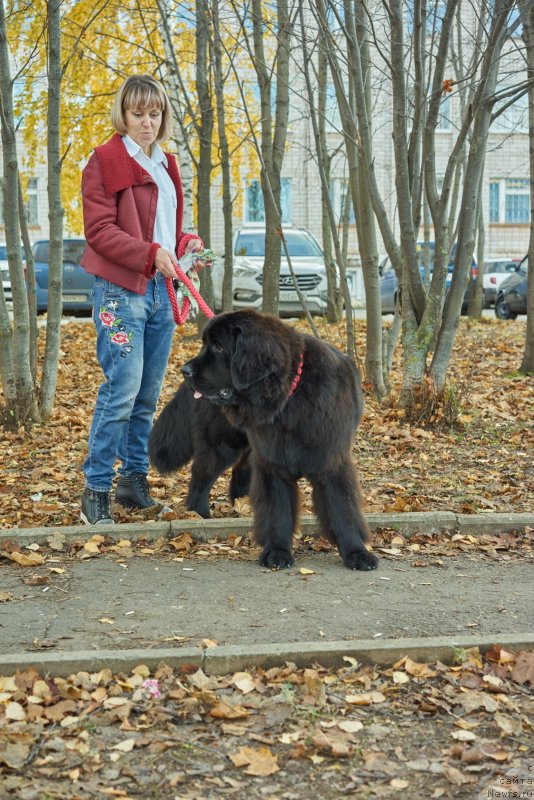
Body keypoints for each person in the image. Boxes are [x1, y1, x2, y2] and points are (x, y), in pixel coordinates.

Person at [79, 74, 203, 525]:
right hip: (120, 292)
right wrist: (153, 253)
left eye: (155, 114)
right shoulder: (105, 160)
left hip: (161, 290)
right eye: (138, 114)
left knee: (147, 395)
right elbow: (100, 232)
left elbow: (167, 229)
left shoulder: (167, 164)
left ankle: (133, 483)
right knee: (121, 390)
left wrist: (187, 245)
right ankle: (95, 489)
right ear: (123, 114)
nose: (147, 123)